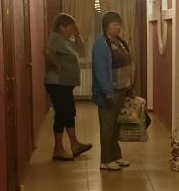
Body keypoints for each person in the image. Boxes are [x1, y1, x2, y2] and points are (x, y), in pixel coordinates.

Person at [43, 13, 92, 161]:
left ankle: (75, 145)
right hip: (57, 83)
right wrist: (57, 65)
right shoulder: (55, 37)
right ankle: (58, 149)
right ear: (61, 27)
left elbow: (81, 48)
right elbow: (47, 52)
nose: (72, 30)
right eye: (70, 27)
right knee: (61, 115)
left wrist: (77, 34)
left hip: (65, 84)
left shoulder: (66, 41)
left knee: (69, 113)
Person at [92, 10, 133, 171]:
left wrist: (129, 84)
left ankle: (116, 156)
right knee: (107, 127)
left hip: (121, 89)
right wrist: (107, 92)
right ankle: (106, 160)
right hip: (109, 92)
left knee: (116, 126)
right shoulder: (101, 44)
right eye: (114, 24)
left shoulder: (120, 42)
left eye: (119, 24)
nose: (118, 27)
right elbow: (100, 71)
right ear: (106, 27)